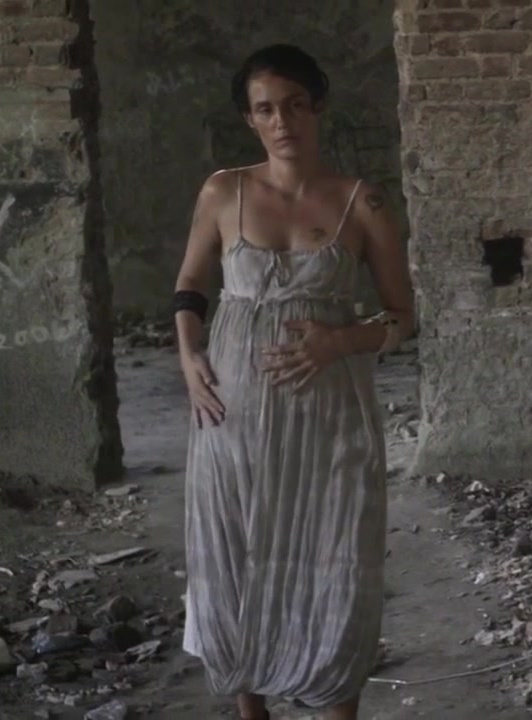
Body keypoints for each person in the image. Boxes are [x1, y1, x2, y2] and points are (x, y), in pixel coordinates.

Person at [170, 43, 414, 720]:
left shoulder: (362, 203)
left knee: (336, 557)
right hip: (230, 412)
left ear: (318, 106)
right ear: (250, 119)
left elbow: (403, 316)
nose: (283, 122)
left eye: (295, 105)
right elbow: (190, 284)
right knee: (233, 556)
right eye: (266, 110)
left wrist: (340, 341)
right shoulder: (223, 192)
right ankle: (251, 711)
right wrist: (188, 356)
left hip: (329, 414)